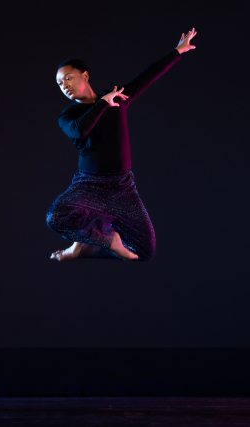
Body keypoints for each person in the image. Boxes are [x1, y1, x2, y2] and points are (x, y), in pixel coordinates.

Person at [47, 29, 197, 261]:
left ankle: (83, 247)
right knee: (55, 217)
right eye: (59, 83)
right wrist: (103, 104)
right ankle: (104, 240)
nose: (64, 85)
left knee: (144, 251)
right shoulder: (69, 115)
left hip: (122, 187)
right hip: (90, 184)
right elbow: (81, 129)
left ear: (84, 76)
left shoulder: (117, 97)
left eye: (68, 77)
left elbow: (146, 77)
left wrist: (177, 51)